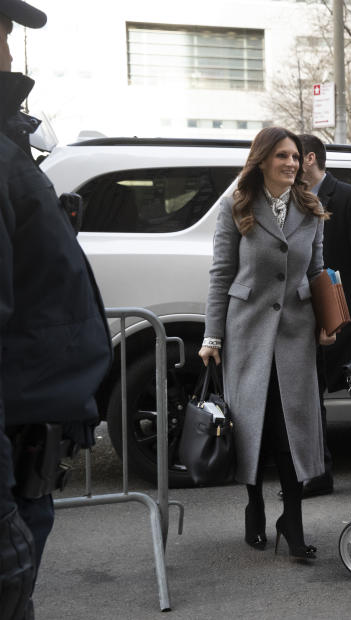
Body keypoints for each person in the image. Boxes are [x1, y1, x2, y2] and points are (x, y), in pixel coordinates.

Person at [1, 1, 112, 615]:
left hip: (28, 467)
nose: (12, 51)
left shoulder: (10, 147)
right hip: (12, 478)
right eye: (3, 31)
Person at [198, 127, 333, 560]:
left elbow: (318, 271)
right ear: (262, 160)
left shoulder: (310, 208)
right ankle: (254, 506)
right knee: (253, 425)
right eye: (282, 156)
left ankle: (291, 521)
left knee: (289, 429)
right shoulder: (236, 205)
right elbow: (221, 274)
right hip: (247, 331)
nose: (293, 163)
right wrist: (211, 335)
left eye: (296, 156)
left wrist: (330, 321)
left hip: (296, 333)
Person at [297, 134, 351, 497]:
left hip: (346, 315)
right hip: (304, 314)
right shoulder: (291, 199)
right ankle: (318, 472)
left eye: (292, 156)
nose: (286, 163)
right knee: (309, 394)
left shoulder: (349, 196)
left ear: (310, 159)